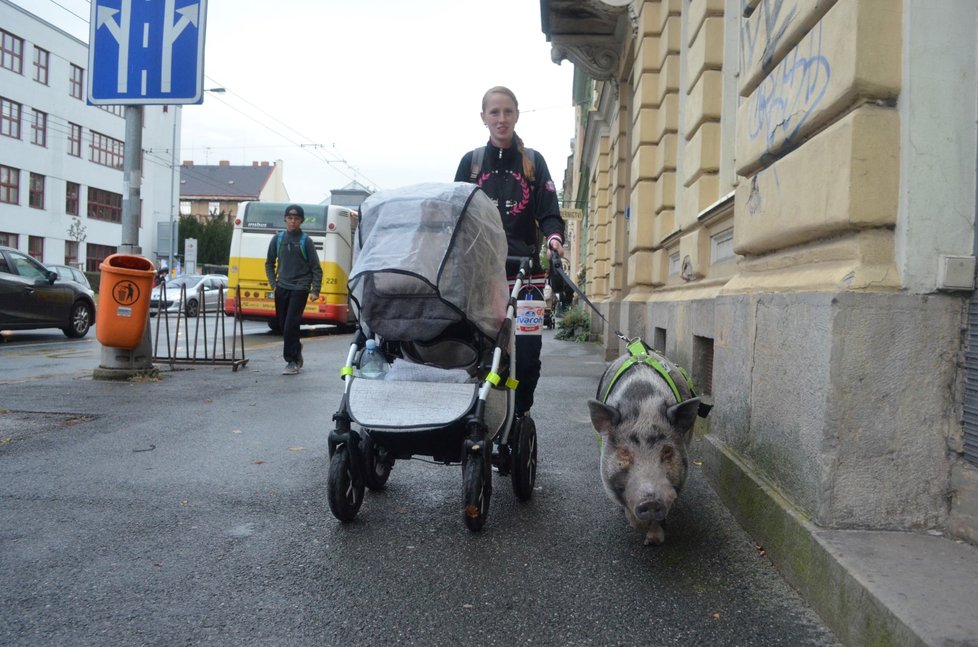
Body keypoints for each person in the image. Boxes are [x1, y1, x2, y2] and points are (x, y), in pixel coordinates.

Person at [454, 85, 565, 418]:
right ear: (484, 118)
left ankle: (520, 414)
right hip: (481, 275)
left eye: (508, 112)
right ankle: (481, 411)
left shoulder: (533, 162)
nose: (501, 119)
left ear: (517, 115)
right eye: (494, 113)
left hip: (527, 274)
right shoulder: (471, 163)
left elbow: (548, 210)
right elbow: (455, 212)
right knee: (479, 349)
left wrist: (554, 238)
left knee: (527, 355)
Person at [265, 204, 322, 375]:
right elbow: (269, 263)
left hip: (300, 288)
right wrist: (273, 285)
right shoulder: (278, 240)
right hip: (282, 286)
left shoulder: (306, 241)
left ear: (301, 221)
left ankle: (292, 361)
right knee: (283, 325)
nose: (293, 222)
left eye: (296, 219)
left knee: (291, 324)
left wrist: (315, 290)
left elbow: (316, 268)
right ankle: (296, 348)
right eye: (290, 218)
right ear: (285, 219)